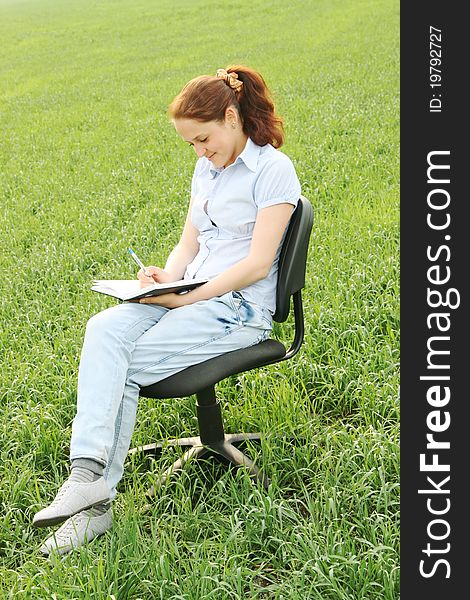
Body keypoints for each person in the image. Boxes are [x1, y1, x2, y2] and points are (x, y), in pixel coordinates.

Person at [33, 65, 301, 555]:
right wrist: (165, 278)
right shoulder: (207, 168)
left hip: (237, 309)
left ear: (231, 116)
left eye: (204, 139)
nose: (200, 153)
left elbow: (259, 265)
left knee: (125, 366)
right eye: (191, 145)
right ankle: (86, 474)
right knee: (105, 329)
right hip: (191, 290)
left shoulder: (273, 171)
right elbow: (189, 242)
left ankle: (96, 509)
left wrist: (188, 297)